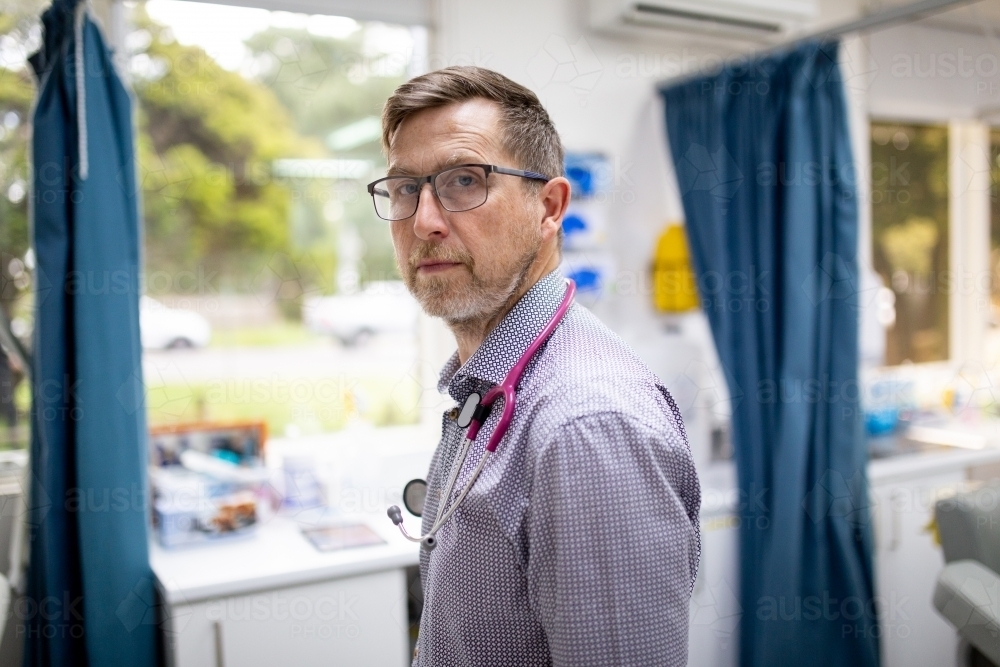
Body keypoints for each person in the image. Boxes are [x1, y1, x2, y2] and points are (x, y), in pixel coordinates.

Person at [373, 66, 700, 667]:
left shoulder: (589, 427)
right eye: (403, 190)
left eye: (464, 181)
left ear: (550, 207)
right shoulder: (490, 387)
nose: (423, 221)